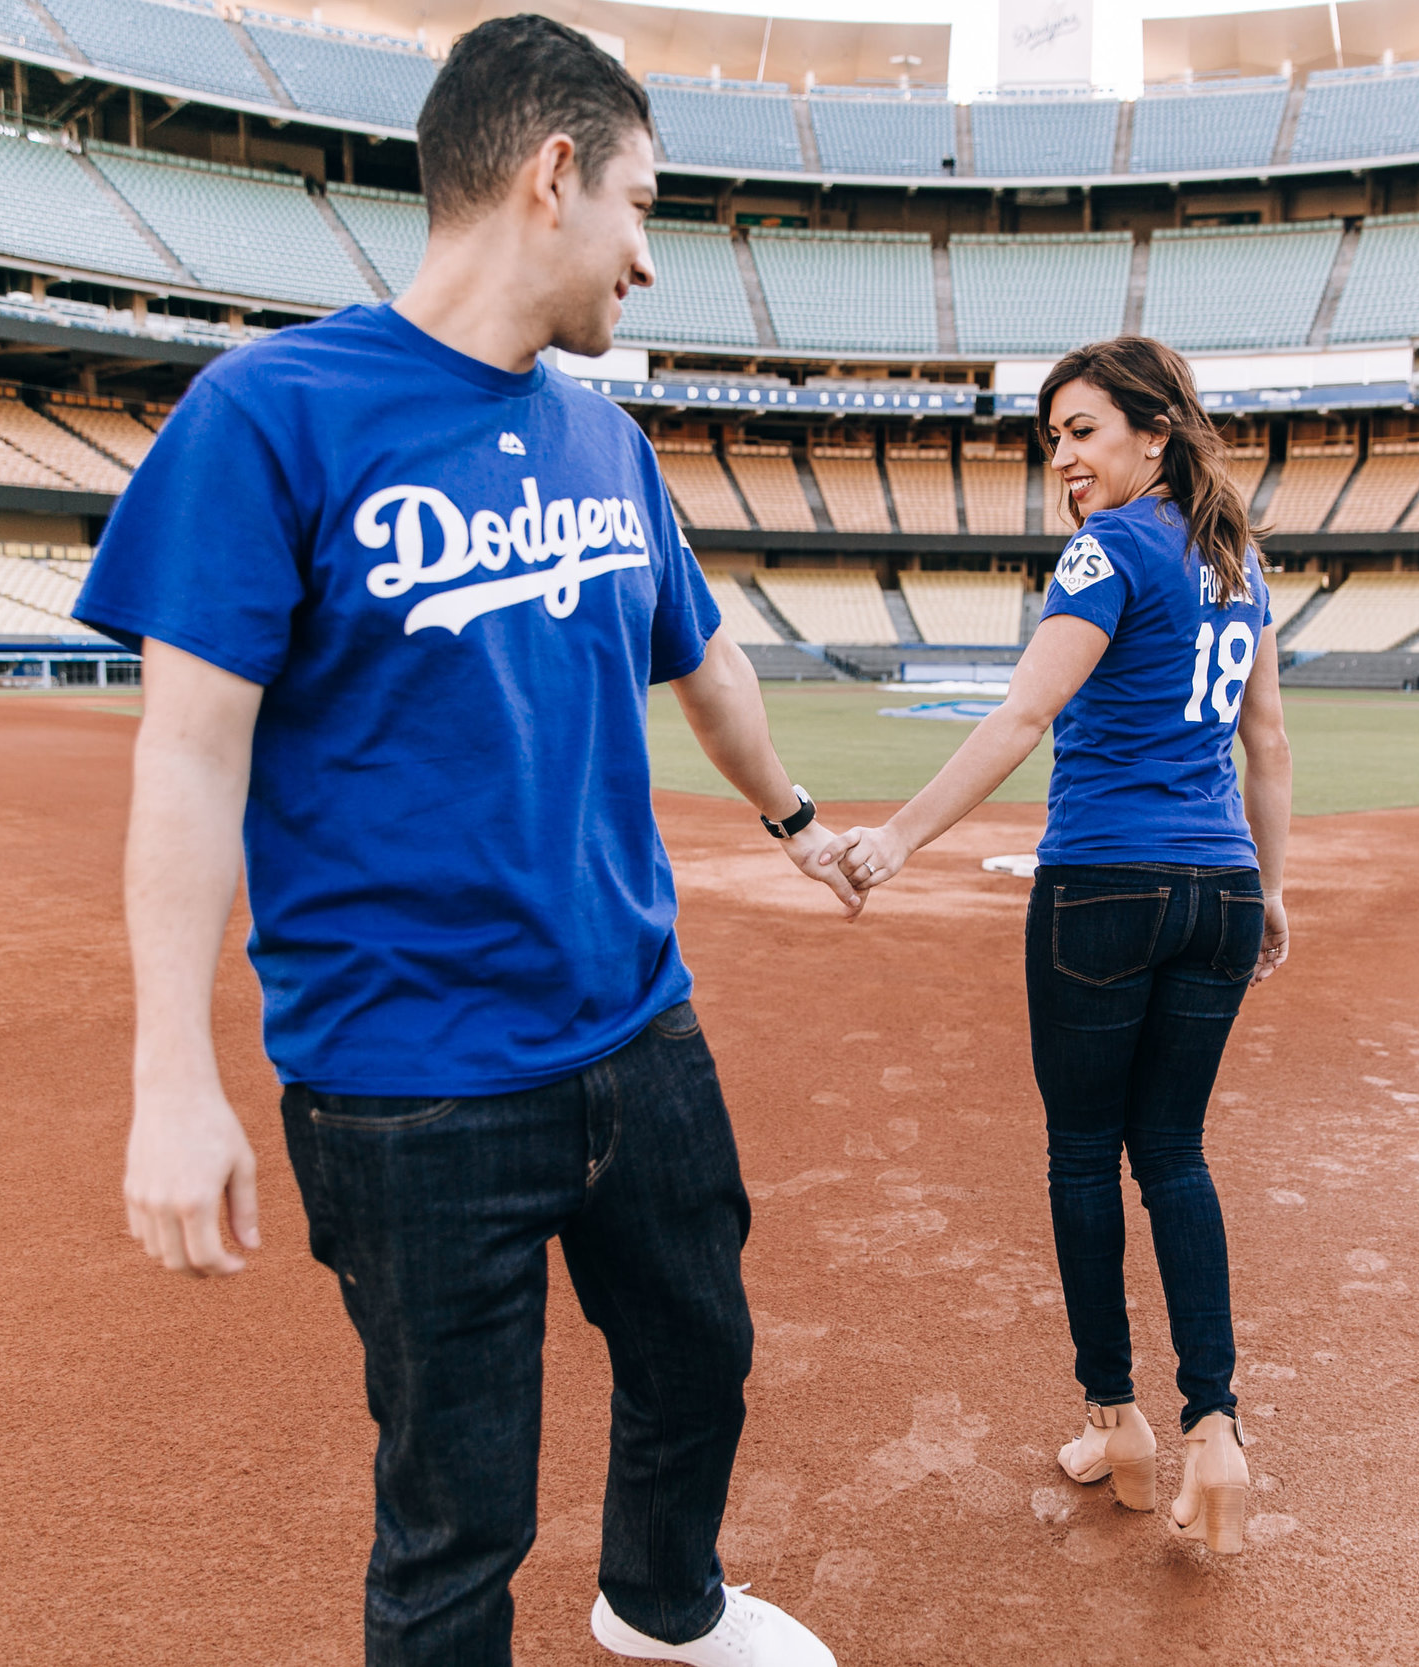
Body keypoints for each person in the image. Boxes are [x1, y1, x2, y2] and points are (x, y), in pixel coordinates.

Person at [76, 17, 852, 1664]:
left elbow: (701, 658)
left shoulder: (607, 444)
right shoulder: (267, 415)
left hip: (637, 1030)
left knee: (699, 1354)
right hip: (408, 1079)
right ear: (552, 174)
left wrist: (789, 812)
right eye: (643, 205)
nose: (649, 261)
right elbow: (190, 758)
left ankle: (661, 1602)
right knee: (457, 1510)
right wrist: (169, 1072)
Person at [833, 337, 1293, 1556]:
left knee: (1086, 1153)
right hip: (1221, 892)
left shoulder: (1108, 550)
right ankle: (1217, 1422)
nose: (1064, 459)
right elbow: (1271, 749)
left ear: (1155, 434)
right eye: (1053, 437)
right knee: (1176, 1154)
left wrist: (895, 841)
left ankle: (1120, 1423)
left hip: (1103, 887)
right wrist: (1273, 889)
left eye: (1084, 430)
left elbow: (1026, 711)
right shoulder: (1236, 558)